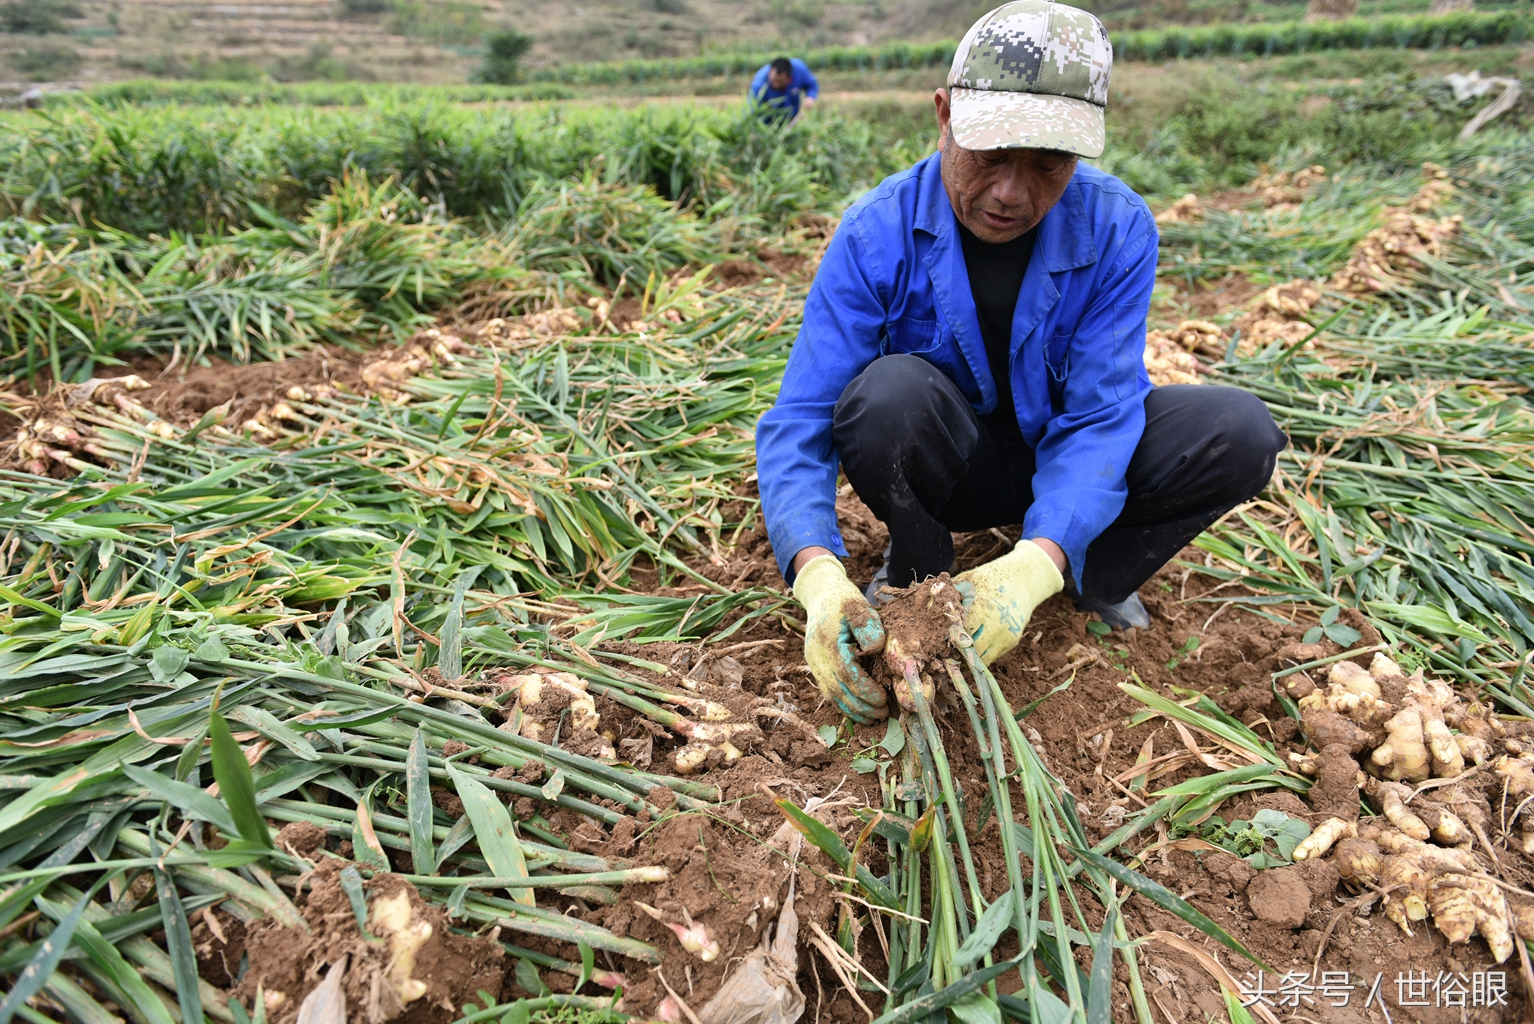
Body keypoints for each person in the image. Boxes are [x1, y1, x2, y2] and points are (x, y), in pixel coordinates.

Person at [754, 0, 1288, 723]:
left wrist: (1032, 566)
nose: (1011, 193)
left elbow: (1102, 412)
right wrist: (817, 576)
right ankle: (917, 563)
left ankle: (1087, 572)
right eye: (991, 154)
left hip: (1063, 459)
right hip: (958, 469)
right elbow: (803, 417)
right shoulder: (876, 231)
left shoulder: (1117, 227)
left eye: (1048, 164)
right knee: (885, 397)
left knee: (1240, 430)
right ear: (943, 115)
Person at [748, 56, 819, 125]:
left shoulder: (799, 70)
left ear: (789, 77)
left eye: (781, 81)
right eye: (774, 80)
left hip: (792, 120)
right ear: (770, 72)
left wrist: (810, 97)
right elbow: (752, 108)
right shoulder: (759, 83)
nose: (776, 84)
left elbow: (811, 85)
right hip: (768, 123)